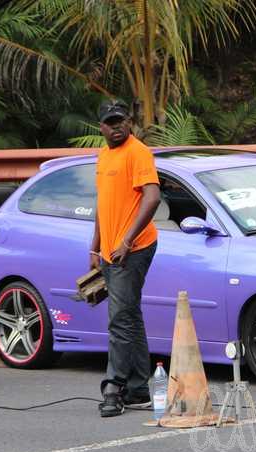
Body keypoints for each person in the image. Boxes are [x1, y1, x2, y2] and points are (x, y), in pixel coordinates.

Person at [89, 99, 161, 417]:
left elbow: (153, 196)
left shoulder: (137, 152)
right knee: (129, 316)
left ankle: (114, 388)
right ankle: (138, 390)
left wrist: (127, 241)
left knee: (119, 319)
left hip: (133, 250)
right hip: (110, 251)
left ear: (128, 122)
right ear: (101, 127)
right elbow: (103, 204)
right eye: (110, 122)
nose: (117, 126)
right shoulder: (104, 155)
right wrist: (96, 247)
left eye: (121, 120)